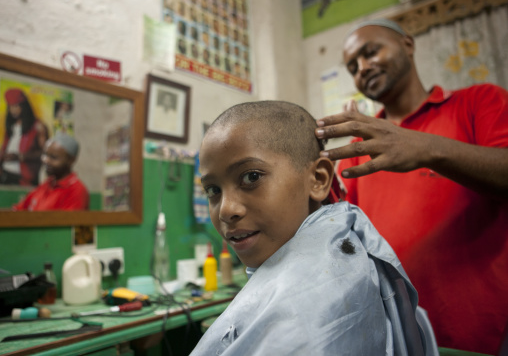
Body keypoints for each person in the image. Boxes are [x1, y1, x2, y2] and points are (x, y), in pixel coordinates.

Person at [314, 19, 508, 355]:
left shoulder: (480, 102)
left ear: (407, 44)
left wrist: (424, 148)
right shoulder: (358, 152)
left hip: (486, 333)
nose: (362, 68)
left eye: (370, 52)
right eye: (352, 67)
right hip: (401, 338)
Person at [190, 101, 437, 355]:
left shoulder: (317, 294)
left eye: (251, 177)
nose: (226, 210)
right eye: (213, 191)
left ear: (318, 179)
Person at [13, 132, 89, 211]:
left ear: (71, 160)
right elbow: (19, 209)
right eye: (45, 154)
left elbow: (65, 222)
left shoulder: (76, 191)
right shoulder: (47, 184)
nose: (46, 160)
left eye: (53, 157)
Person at [0, 88, 48, 186]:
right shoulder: (11, 126)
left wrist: (20, 156)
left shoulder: (38, 126)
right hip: (4, 175)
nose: (13, 110)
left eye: (16, 106)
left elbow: (45, 153)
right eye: (10, 106)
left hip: (24, 180)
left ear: (24, 106)